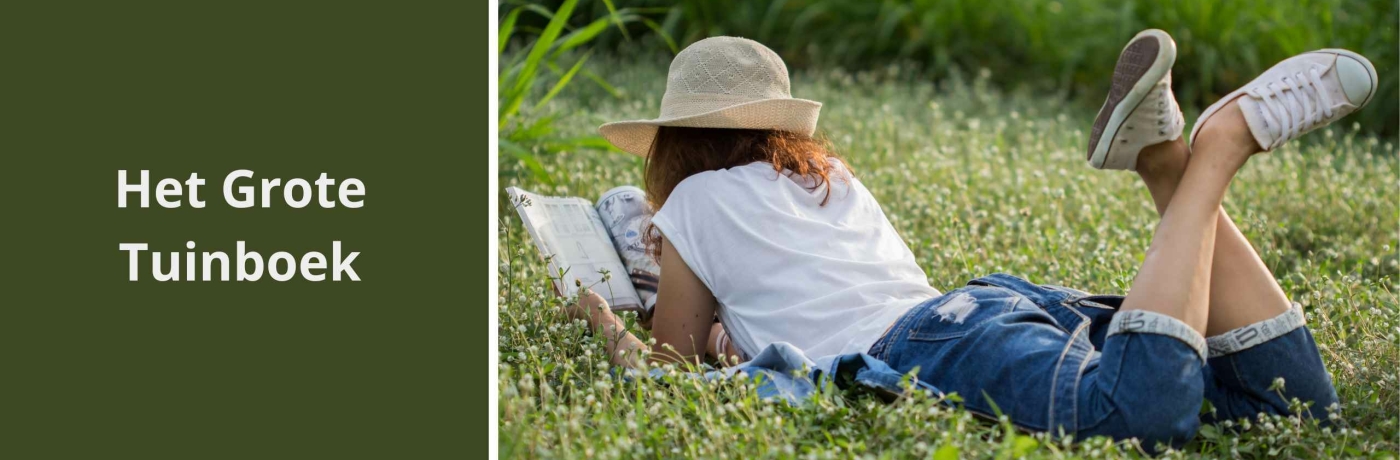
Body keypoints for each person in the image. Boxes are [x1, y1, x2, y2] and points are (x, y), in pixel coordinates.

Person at [563, 33, 1377, 447]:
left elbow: (664, 367)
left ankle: (1219, 148)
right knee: (1289, 407)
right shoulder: (828, 180)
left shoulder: (693, 203)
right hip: (968, 313)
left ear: (672, 145)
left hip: (923, 347)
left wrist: (601, 314)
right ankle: (1165, 166)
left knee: (1139, 418)